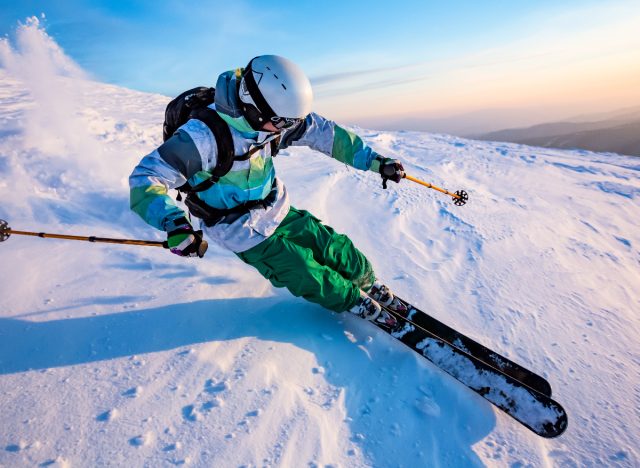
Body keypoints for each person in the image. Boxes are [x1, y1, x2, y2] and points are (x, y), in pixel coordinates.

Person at [129, 55, 406, 324]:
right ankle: (350, 299)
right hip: (238, 228)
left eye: (293, 121)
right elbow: (146, 178)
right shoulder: (203, 138)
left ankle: (366, 280)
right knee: (304, 270)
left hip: (275, 206)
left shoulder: (275, 120)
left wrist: (375, 162)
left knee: (333, 246)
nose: (288, 128)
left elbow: (326, 133)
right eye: (284, 122)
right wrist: (175, 224)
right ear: (253, 107)